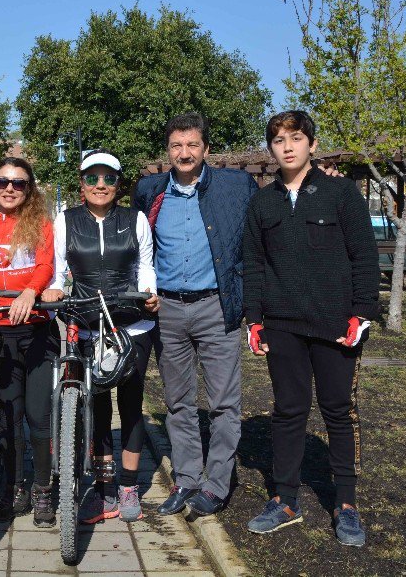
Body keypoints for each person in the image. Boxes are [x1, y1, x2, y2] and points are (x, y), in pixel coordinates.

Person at [243, 111, 379, 547]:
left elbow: (364, 256)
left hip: (335, 325)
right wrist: (255, 319)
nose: (287, 146)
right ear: (271, 149)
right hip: (282, 324)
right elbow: (254, 264)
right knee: (288, 410)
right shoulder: (263, 202)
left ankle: (346, 504)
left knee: (339, 410)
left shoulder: (340, 193)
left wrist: (362, 313)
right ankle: (285, 499)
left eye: (296, 138)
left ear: (311, 145)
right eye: (279, 140)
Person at [132, 112, 258, 518]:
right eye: (176, 146)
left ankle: (217, 484)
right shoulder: (150, 191)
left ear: (205, 149)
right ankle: (186, 478)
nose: (184, 153)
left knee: (223, 402)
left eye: (192, 145)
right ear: (167, 150)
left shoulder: (236, 187)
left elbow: (257, 242)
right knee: (177, 401)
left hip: (215, 307)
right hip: (167, 309)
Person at [43, 150, 160, 524]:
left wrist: (149, 293)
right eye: (92, 177)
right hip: (87, 324)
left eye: (108, 178)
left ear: (118, 185)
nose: (100, 185)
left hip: (131, 324)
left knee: (130, 404)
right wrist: (55, 291)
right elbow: (57, 269)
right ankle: (104, 486)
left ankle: (129, 486)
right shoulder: (65, 220)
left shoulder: (135, 219)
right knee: (95, 407)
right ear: (81, 183)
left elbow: (145, 265)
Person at [0, 157, 57, 527]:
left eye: (18, 183)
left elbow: (45, 266)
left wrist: (29, 293)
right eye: (2, 181)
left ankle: (41, 491)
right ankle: (14, 489)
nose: (9, 188)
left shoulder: (40, 224)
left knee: (37, 418)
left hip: (35, 331)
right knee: (7, 419)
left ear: (28, 188)